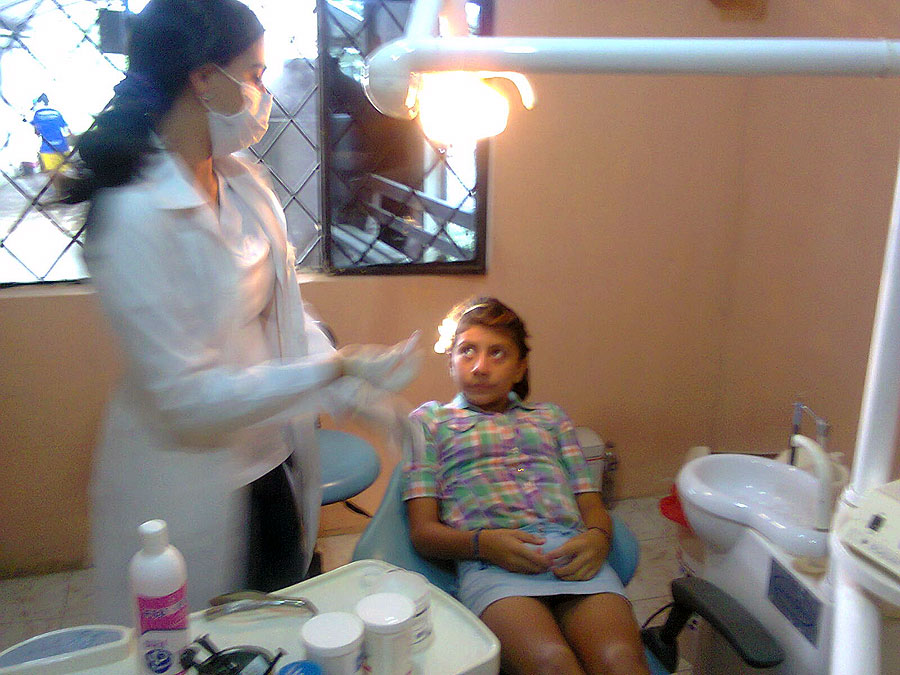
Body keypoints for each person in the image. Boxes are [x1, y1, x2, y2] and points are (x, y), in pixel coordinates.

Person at [64, 0, 420, 624]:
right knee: (205, 640)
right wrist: (333, 370)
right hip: (187, 483)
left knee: (282, 619)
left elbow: (284, 317)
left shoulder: (243, 183)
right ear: (204, 79)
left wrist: (358, 396)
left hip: (272, 458)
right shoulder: (132, 216)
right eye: (254, 74)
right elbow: (188, 398)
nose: (265, 93)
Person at [403, 297, 650, 675]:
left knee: (622, 661)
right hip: (492, 564)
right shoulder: (428, 423)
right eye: (467, 351)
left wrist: (598, 538)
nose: (480, 367)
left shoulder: (551, 419)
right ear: (451, 361)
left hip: (572, 554)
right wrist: (483, 544)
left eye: (497, 353)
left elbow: (591, 503)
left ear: (520, 368)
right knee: (552, 664)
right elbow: (423, 532)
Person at [30, 94, 71, 173]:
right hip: (63, 148)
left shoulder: (37, 115)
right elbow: (66, 131)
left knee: (54, 174)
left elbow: (37, 132)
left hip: (47, 150)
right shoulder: (56, 113)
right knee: (67, 172)